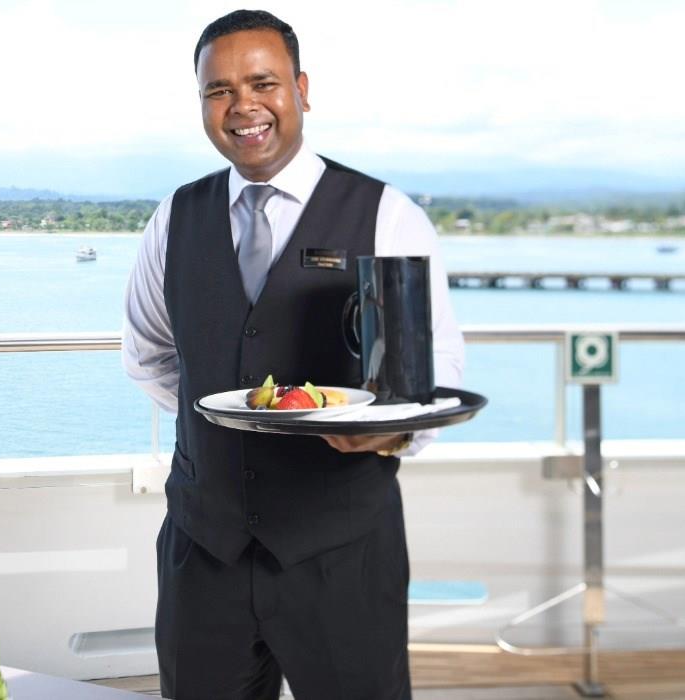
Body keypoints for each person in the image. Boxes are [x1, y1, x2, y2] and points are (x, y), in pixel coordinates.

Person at [122, 9, 464, 699]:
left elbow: (431, 380)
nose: (242, 106)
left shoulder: (386, 214)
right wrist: (230, 423)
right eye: (219, 90)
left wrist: (386, 434)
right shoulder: (174, 217)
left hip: (339, 553)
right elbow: (151, 356)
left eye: (262, 83)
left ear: (302, 90)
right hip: (205, 550)